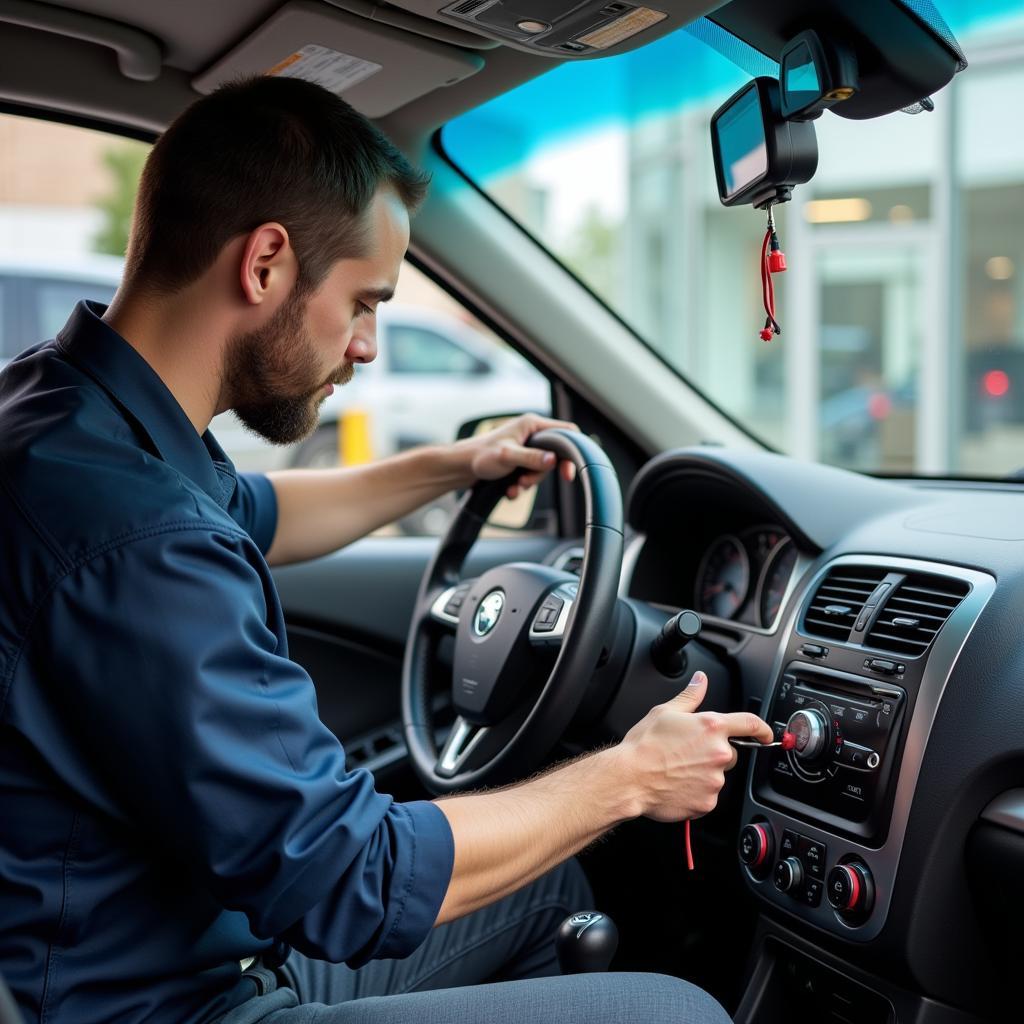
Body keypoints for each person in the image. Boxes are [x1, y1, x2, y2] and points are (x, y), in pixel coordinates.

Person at [0, 76, 772, 1024]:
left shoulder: (65, 417)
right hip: (168, 1003)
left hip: (133, 946)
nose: (367, 345)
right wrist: (629, 777)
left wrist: (458, 466)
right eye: (364, 301)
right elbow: (347, 879)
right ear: (267, 264)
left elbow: (258, 509)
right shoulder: (143, 541)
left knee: (542, 894)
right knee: (675, 1015)